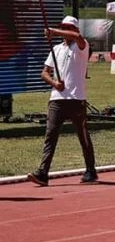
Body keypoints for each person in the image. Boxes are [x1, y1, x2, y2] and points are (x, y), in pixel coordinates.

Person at [27, 15, 97, 186]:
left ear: (75, 29)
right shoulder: (56, 49)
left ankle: (90, 169)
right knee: (50, 134)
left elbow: (78, 38)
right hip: (57, 99)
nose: (65, 30)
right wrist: (54, 83)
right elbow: (44, 72)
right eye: (63, 27)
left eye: (68, 27)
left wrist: (53, 31)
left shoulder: (82, 46)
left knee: (83, 136)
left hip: (76, 98)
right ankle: (43, 172)